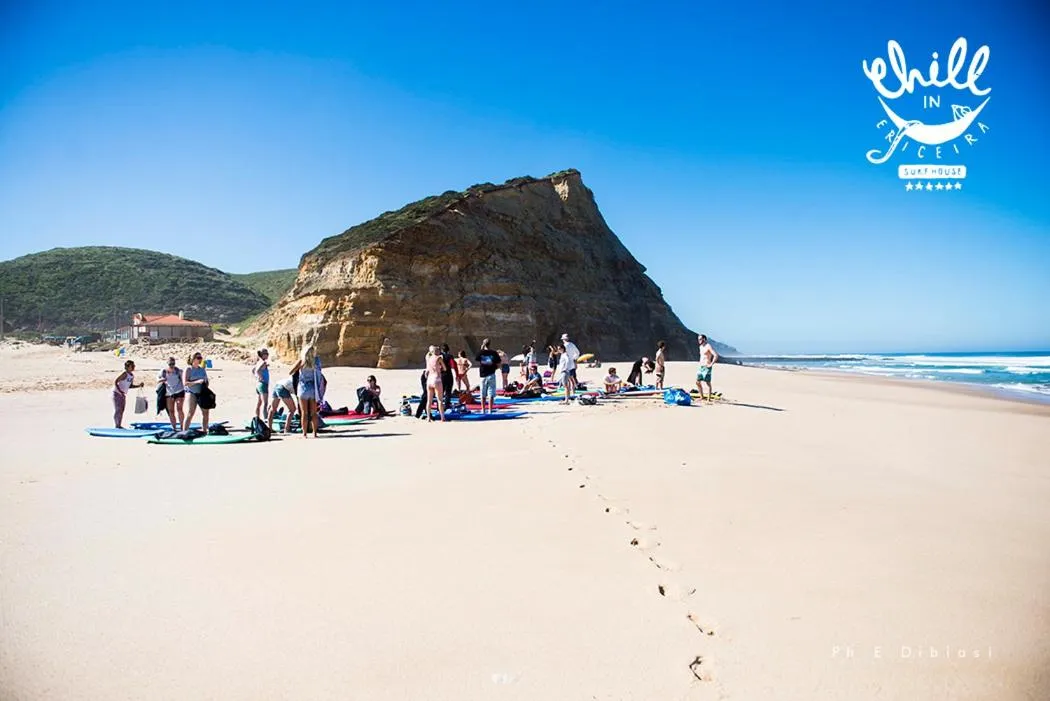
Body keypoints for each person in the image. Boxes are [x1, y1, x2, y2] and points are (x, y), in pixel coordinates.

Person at [293, 346, 321, 438]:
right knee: (314, 412)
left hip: (303, 388)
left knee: (304, 413)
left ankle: (304, 434)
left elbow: (291, 371)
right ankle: (315, 433)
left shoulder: (302, 361)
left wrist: (299, 367)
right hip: (313, 388)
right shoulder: (316, 361)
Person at [112, 359, 144, 428]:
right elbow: (116, 381)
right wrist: (120, 391)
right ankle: (117, 425)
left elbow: (130, 386)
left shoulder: (131, 376)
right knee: (118, 410)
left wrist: (139, 385)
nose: (133, 367)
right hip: (117, 393)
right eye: (132, 366)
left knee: (122, 409)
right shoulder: (124, 374)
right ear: (128, 367)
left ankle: (119, 425)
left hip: (123, 394)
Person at [183, 352, 210, 431]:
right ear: (193, 359)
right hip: (191, 393)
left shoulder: (202, 370)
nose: (200, 359)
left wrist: (205, 382)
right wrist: (197, 381)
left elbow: (206, 381)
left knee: (205, 413)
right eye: (198, 358)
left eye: (201, 358)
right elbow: (185, 383)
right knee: (190, 413)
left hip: (201, 393)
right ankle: (184, 431)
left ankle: (204, 430)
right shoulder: (188, 369)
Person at [157, 356, 186, 430]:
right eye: (170, 364)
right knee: (171, 410)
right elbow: (158, 380)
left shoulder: (178, 371)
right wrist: (162, 380)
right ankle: (174, 428)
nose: (172, 365)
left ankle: (182, 427)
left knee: (179, 409)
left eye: (173, 363)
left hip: (179, 391)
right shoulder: (163, 371)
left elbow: (184, 380)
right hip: (169, 392)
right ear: (167, 363)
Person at [475, 338, 502, 414]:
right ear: (490, 344)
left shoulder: (481, 352)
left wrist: (481, 349)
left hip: (483, 375)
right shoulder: (494, 353)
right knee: (491, 393)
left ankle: (483, 409)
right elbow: (499, 364)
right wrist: (494, 368)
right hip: (491, 374)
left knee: (483, 393)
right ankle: (490, 410)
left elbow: (477, 358)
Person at [425, 345, 447, 422]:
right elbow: (445, 368)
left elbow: (427, 356)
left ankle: (428, 417)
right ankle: (442, 417)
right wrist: (440, 367)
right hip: (436, 379)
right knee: (440, 400)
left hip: (429, 379)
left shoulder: (428, 358)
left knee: (429, 400)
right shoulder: (439, 358)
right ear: (436, 351)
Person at [696, 334, 720, 402]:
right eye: (698, 339)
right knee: (697, 382)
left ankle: (708, 399)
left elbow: (715, 355)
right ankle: (702, 397)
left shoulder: (708, 346)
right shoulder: (700, 347)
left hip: (707, 366)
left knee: (707, 383)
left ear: (704, 339)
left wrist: (711, 364)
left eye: (700, 339)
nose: (699, 340)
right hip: (701, 367)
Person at [252, 348, 270, 421]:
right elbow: (257, 370)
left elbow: (253, 370)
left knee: (259, 403)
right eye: (266, 354)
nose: (268, 355)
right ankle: (266, 419)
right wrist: (261, 377)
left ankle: (257, 418)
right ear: (263, 355)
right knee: (265, 403)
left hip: (258, 384)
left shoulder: (259, 362)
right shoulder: (263, 362)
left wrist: (257, 377)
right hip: (263, 384)